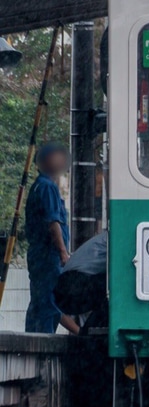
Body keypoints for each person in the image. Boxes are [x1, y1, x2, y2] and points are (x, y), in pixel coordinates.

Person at [24, 143, 78, 335]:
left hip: (40, 255)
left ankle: (31, 338)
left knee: (40, 302)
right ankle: (73, 336)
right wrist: (63, 253)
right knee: (48, 303)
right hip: (48, 255)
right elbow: (53, 222)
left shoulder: (39, 186)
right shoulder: (47, 188)